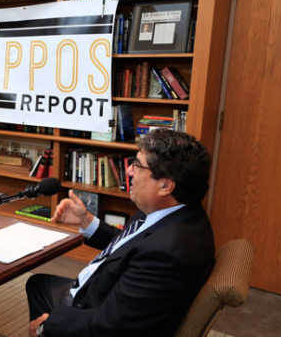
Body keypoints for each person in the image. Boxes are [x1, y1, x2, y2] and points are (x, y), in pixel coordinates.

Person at [26, 129, 215, 337]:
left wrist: (48, 326)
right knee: (37, 284)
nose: (129, 171)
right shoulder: (177, 212)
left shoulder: (168, 253)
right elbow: (130, 245)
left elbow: (111, 325)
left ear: (165, 185)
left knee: (41, 307)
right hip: (106, 289)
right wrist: (86, 221)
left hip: (97, 307)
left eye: (138, 165)